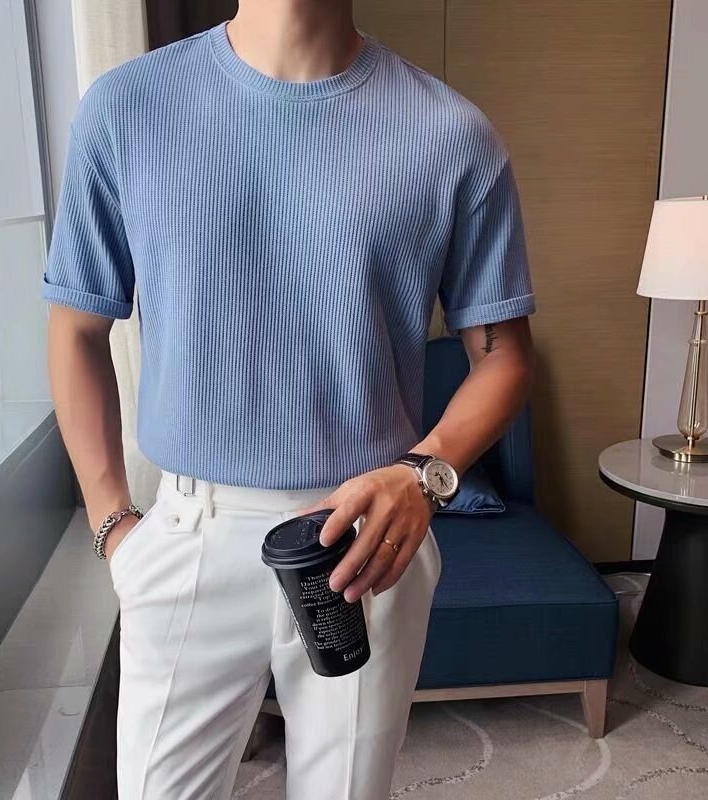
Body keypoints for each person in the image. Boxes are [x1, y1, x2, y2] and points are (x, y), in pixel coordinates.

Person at [43, 1, 535, 798]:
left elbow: (504, 356)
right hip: (190, 535)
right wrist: (114, 529)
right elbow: (75, 329)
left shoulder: (451, 134)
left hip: (366, 540)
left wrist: (425, 473)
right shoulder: (126, 109)